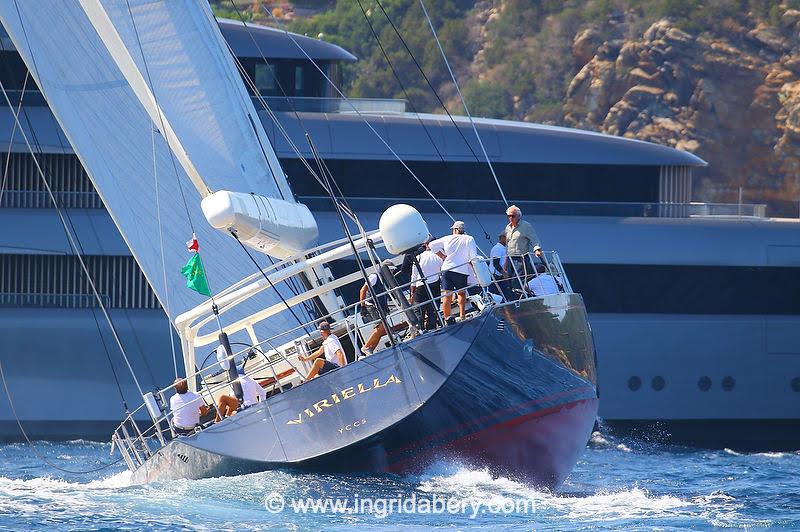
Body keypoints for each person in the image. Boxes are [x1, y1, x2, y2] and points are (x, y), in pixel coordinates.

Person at [430, 220, 477, 323]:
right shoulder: (469, 239)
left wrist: (442, 256)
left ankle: (447, 319)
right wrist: (475, 270)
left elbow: (431, 245)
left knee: (447, 294)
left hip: (447, 269)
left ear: (456, 230)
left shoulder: (447, 238)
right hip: (461, 270)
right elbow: (473, 257)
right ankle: (462, 316)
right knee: (461, 294)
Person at [504, 205, 541, 289]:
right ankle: (513, 300)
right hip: (510, 258)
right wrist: (506, 262)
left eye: (513, 216)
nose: (510, 218)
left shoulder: (526, 226)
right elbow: (508, 245)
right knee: (509, 281)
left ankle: (523, 296)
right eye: (508, 216)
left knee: (516, 281)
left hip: (521, 258)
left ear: (519, 216)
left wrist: (537, 249)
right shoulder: (507, 228)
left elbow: (534, 239)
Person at [409, 238, 443, 331]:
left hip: (421, 287)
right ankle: (431, 329)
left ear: (426, 245)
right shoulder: (439, 256)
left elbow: (414, 276)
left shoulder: (418, 257)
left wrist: (412, 293)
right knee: (433, 311)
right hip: (435, 286)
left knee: (419, 311)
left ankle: (421, 330)